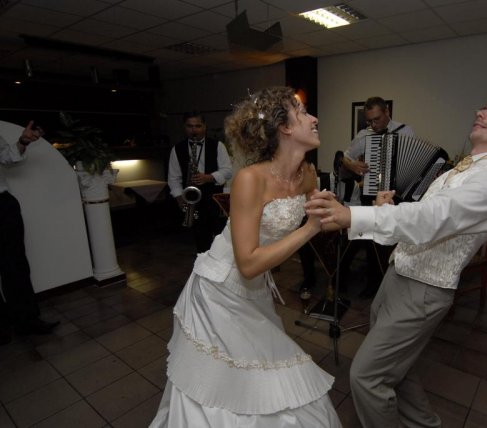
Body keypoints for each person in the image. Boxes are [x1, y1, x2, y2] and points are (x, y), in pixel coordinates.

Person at [306, 85, 487, 428]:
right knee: (398, 368)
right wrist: (387, 210)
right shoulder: (461, 169)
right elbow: (424, 220)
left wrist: (351, 216)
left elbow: (432, 219)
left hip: (425, 289)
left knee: (367, 377)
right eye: (485, 107)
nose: (481, 112)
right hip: (399, 273)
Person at [150, 87, 342, 427]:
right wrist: (311, 228)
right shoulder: (250, 178)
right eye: (303, 113)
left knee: (261, 369)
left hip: (255, 290)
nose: (314, 119)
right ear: (284, 128)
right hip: (220, 289)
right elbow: (249, 263)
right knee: (226, 381)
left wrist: (370, 215)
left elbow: (326, 219)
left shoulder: (307, 174)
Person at [340, 96, 416, 299]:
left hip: (396, 196)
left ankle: (392, 285)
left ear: (387, 112)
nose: (373, 125)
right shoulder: (364, 135)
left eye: (377, 119)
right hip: (372, 194)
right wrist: (352, 165)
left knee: (390, 243)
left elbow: (410, 162)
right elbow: (345, 156)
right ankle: (373, 284)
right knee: (371, 242)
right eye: (369, 120)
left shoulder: (405, 131)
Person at [1, 121, 60, 345]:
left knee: (15, 264)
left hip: (2, 204)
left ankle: (26, 321)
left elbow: (7, 157)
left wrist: (23, 141)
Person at [167, 112, 233, 253]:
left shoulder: (218, 145)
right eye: (190, 126)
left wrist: (209, 177)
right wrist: (179, 198)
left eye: (198, 126)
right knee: (201, 241)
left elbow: (228, 171)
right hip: (193, 200)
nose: (194, 130)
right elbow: (173, 178)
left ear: (205, 126)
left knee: (221, 240)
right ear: (184, 127)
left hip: (214, 198)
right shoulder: (177, 149)